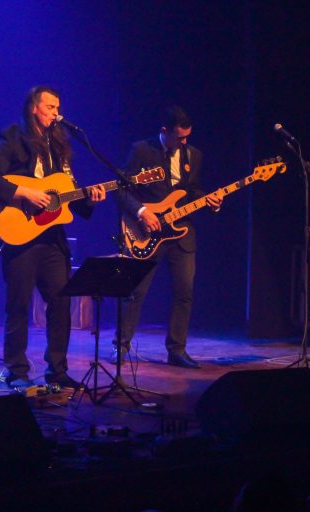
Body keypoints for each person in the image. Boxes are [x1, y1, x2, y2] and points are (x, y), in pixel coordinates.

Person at [0, 85, 106, 389]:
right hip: (19, 234)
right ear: (34, 107)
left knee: (61, 303)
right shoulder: (13, 137)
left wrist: (90, 198)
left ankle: (57, 370)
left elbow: (66, 193)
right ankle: (17, 371)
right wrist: (25, 192)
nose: (56, 113)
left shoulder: (59, 146)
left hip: (51, 239)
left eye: (58, 108)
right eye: (50, 107)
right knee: (18, 304)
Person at [113, 105, 223, 369]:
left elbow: (192, 190)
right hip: (146, 230)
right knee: (135, 291)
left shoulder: (194, 155)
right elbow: (120, 188)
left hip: (181, 233)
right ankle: (121, 346)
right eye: (179, 137)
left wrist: (210, 200)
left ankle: (177, 350)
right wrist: (141, 212)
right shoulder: (142, 150)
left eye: (187, 137)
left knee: (185, 292)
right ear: (164, 130)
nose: (183, 142)